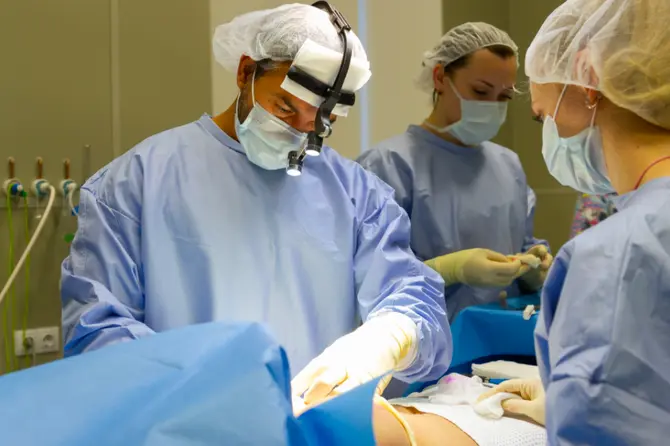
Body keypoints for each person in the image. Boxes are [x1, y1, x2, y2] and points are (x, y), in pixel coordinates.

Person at [60, 3, 453, 406]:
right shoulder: (135, 182)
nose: (296, 132)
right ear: (245, 72)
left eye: (318, 123)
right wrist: (191, 386)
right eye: (284, 107)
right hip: (181, 422)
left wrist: (391, 337)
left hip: (308, 421)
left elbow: (414, 300)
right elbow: (96, 330)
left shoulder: (356, 195)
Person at [481, 0, 670, 443]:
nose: (547, 130)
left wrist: (584, 404)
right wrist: (563, 401)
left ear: (588, 79)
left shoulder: (620, 257)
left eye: (543, 117)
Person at [357, 23, 551, 321]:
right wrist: (451, 269)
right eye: (480, 91)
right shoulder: (387, 165)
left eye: (504, 97)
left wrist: (533, 268)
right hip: (423, 341)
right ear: (440, 77)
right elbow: (370, 277)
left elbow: (521, 244)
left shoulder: (508, 165)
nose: (491, 106)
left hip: (499, 338)